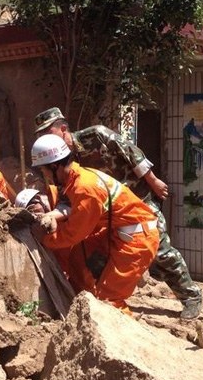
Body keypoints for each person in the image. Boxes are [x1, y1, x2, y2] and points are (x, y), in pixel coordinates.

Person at [34, 106, 203, 319]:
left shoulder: (95, 136)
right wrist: (52, 215)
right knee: (91, 250)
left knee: (160, 248)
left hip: (135, 196)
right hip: (107, 210)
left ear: (63, 129)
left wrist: (153, 181)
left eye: (48, 134)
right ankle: (100, 292)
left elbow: (131, 153)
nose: (46, 141)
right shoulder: (61, 160)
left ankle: (190, 295)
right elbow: (68, 200)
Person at [30, 133, 159, 314]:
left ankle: (117, 335)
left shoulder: (85, 188)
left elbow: (73, 233)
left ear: (54, 166)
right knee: (78, 258)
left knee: (110, 298)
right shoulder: (78, 177)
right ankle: (80, 306)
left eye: (43, 171)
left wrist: (45, 239)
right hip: (119, 231)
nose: (45, 177)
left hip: (137, 239)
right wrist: (52, 216)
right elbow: (70, 207)